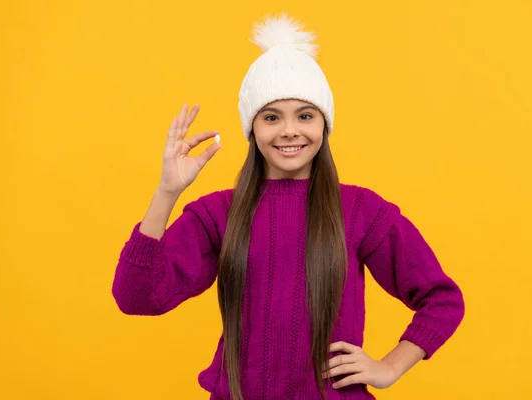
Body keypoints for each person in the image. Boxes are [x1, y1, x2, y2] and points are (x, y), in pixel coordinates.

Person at [112, 12, 465, 400]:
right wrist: (166, 191)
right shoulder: (217, 216)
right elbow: (135, 297)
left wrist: (391, 366)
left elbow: (442, 299)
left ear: (324, 125)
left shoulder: (361, 211)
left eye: (306, 115)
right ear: (252, 128)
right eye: (271, 117)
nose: (289, 130)